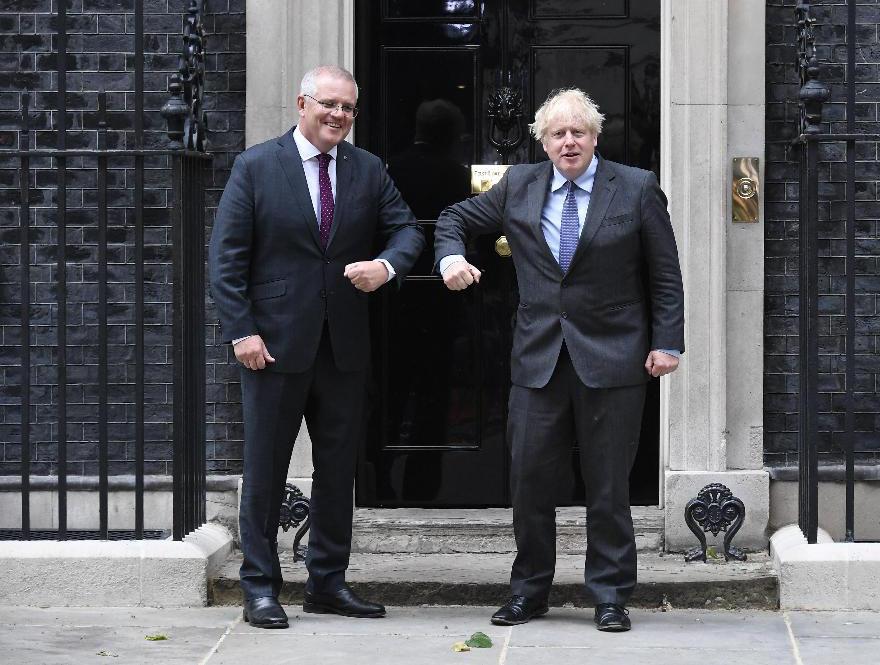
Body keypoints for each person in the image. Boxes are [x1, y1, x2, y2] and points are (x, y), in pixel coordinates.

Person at [434, 88, 684, 632]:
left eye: (578, 132)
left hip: (614, 357)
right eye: (557, 134)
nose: (568, 142)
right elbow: (453, 218)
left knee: (608, 485)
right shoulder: (518, 185)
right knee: (529, 481)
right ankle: (529, 592)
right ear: (543, 142)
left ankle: (610, 595)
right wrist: (451, 257)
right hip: (538, 357)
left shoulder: (636, 187)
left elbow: (664, 273)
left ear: (595, 137)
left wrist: (668, 342)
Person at [209, 65, 424, 629]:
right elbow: (226, 261)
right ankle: (260, 587)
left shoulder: (367, 168)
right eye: (329, 104)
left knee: (336, 472)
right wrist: (242, 331)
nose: (339, 115)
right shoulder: (257, 166)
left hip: (343, 347)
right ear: (302, 104)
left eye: (348, 107)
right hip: (273, 347)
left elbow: (407, 230)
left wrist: (385, 266)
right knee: (265, 471)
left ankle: (327, 583)